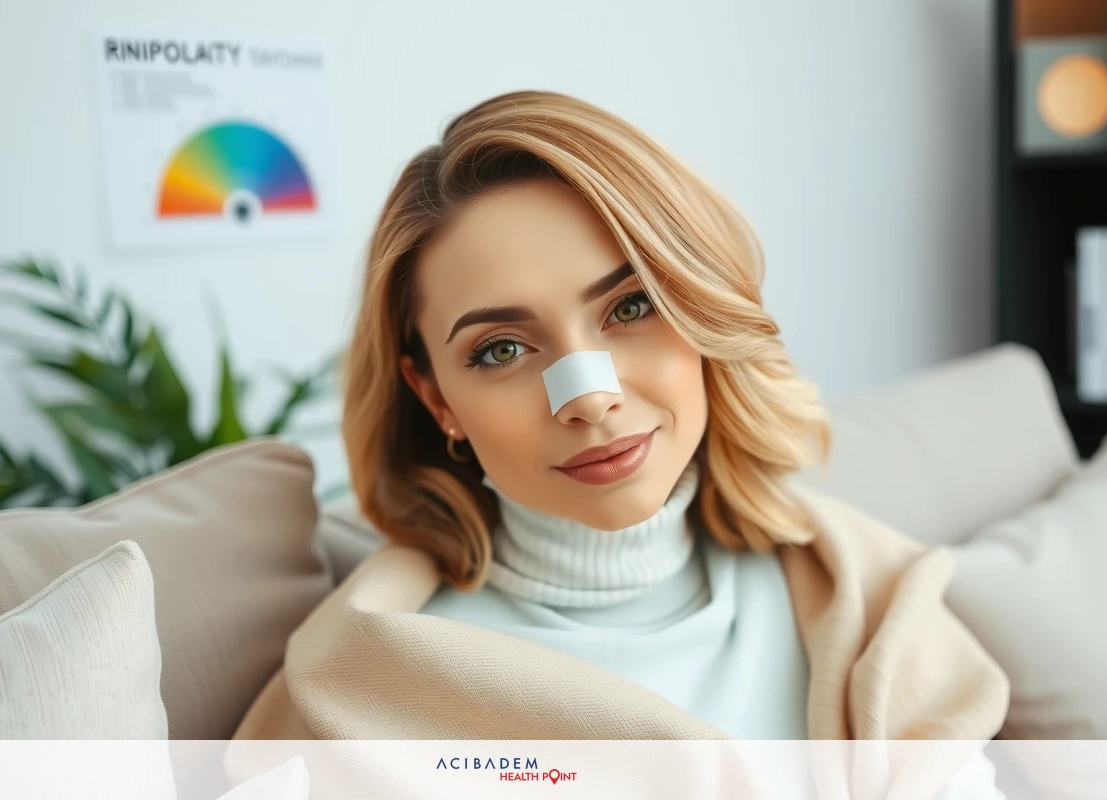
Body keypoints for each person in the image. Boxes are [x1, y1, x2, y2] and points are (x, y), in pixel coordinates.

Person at [230, 91, 1009, 797]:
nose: (590, 396)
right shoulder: (364, 690)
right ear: (436, 397)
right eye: (502, 349)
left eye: (631, 305)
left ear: (702, 310)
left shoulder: (872, 606)